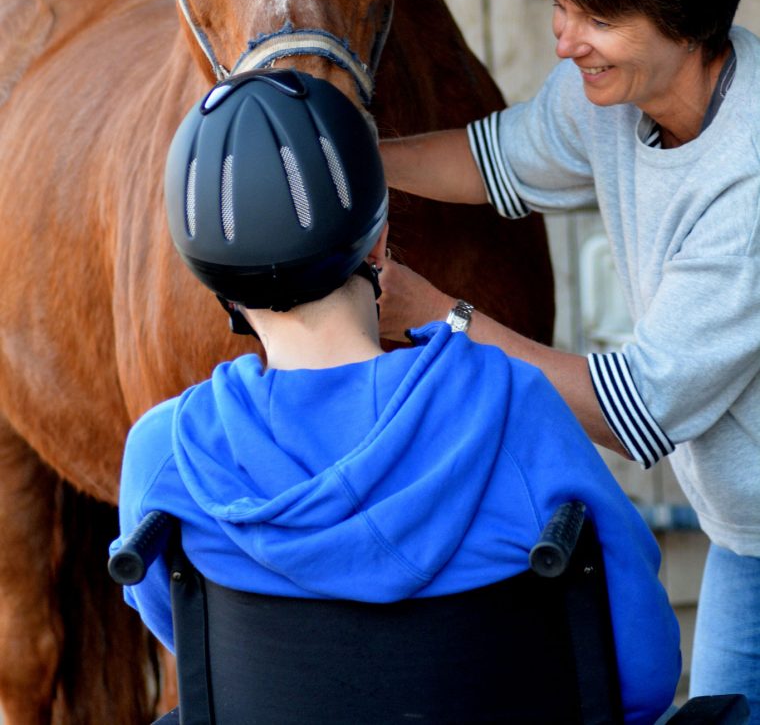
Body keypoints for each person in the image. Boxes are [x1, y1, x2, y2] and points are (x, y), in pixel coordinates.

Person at [111, 67, 680, 724]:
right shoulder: (512, 410)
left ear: (219, 288)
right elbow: (642, 675)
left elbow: (196, 644)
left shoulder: (167, 452)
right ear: (380, 239)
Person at [378, 0, 760, 719]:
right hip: (747, 537)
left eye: (594, 17)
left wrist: (441, 316)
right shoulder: (615, 99)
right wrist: (361, 159)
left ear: (686, 17)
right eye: (559, 6)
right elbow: (492, 158)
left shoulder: (748, 183)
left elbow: (634, 414)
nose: (563, 39)